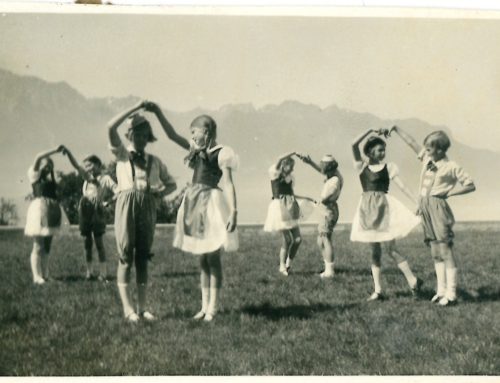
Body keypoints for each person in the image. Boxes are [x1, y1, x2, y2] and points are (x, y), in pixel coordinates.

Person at [145, 102, 238, 322]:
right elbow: (171, 135)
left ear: (206, 132)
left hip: (211, 203)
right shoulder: (196, 151)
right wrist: (158, 111)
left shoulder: (222, 153)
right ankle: (204, 306)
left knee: (212, 257)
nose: (192, 137)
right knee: (202, 259)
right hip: (194, 202)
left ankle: (213, 308)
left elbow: (229, 183)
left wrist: (234, 211)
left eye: (194, 132)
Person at [390, 126, 476, 306]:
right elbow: (412, 143)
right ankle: (441, 290)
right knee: (435, 251)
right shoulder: (427, 160)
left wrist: (450, 194)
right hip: (425, 207)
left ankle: (451, 294)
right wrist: (397, 129)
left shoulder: (451, 166)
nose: (426, 152)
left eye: (429, 149)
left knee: (445, 249)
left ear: (440, 149)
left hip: (438, 207)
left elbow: (470, 185)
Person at [108, 101, 177, 322]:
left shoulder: (155, 161)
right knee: (126, 256)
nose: (141, 138)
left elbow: (172, 184)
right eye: (137, 134)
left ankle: (142, 307)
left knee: (142, 258)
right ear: (129, 135)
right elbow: (110, 127)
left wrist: (158, 194)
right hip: (126, 204)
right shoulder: (121, 154)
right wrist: (135, 107)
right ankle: (128, 308)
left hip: (147, 206)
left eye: (145, 134)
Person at [351, 128, 422, 301]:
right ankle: (378, 290)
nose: (383, 153)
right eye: (379, 149)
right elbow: (353, 144)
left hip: (384, 210)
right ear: (369, 152)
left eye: (384, 149)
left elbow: (402, 186)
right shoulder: (362, 167)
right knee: (374, 251)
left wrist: (416, 201)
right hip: (367, 211)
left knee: (391, 248)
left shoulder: (389, 167)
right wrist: (369, 131)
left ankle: (413, 281)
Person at [60, 147, 117, 281]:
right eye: (86, 166)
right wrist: (68, 152)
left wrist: (107, 202)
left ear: (98, 164)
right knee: (86, 242)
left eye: (90, 165)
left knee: (98, 242)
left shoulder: (105, 178)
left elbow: (118, 190)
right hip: (85, 210)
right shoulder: (86, 178)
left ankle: (103, 273)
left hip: (97, 211)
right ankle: (89, 272)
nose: (88, 168)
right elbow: (75, 165)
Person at [263, 152, 315, 276]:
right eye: (290, 165)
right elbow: (279, 157)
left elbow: (291, 193)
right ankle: (281, 266)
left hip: (290, 206)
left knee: (297, 239)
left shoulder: (291, 178)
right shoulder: (275, 174)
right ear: (284, 165)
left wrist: (306, 197)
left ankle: (288, 264)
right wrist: (294, 152)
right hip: (279, 208)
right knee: (287, 239)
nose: (292, 168)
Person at [25, 146, 66, 284]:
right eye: (46, 165)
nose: (48, 168)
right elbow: (38, 156)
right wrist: (55, 150)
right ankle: (36, 276)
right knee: (38, 245)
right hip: (39, 210)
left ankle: (46, 274)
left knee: (47, 244)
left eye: (50, 166)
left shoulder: (50, 180)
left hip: (51, 209)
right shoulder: (34, 174)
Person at [298, 153, 343, 278]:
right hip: (326, 210)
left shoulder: (335, 179)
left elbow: (328, 195)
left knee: (325, 238)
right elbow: (322, 171)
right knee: (321, 239)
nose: (322, 169)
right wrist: (310, 162)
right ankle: (327, 267)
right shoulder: (334, 175)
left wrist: (322, 200)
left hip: (328, 209)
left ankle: (330, 271)